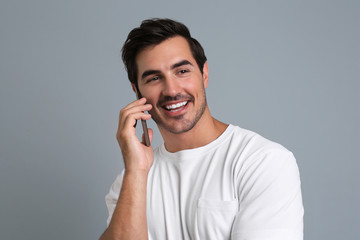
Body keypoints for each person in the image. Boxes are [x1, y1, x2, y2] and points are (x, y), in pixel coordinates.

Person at [100, 18, 304, 240]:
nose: (172, 90)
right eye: (155, 78)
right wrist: (137, 171)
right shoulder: (129, 183)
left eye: (182, 71)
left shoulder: (262, 162)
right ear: (137, 92)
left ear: (204, 73)